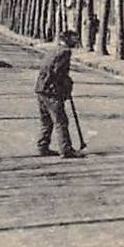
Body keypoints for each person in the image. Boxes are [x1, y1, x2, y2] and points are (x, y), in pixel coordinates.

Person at [35, 29, 83, 159]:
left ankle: (42, 146)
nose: (76, 42)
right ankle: (66, 150)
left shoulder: (54, 50)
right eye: (74, 39)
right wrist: (67, 85)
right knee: (60, 121)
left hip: (41, 89)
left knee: (46, 120)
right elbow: (59, 73)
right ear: (67, 39)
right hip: (52, 91)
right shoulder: (65, 52)